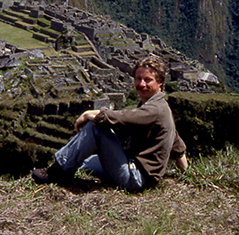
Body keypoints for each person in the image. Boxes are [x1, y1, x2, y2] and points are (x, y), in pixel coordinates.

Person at [32, 54, 188, 192]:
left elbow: (122, 118)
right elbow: (177, 145)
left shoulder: (155, 110)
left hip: (135, 178)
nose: (141, 84)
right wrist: (186, 174)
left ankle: (57, 172)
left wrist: (89, 114)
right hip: (135, 170)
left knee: (96, 127)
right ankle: (65, 167)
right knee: (83, 162)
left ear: (160, 82)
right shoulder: (161, 107)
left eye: (148, 80)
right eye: (138, 79)